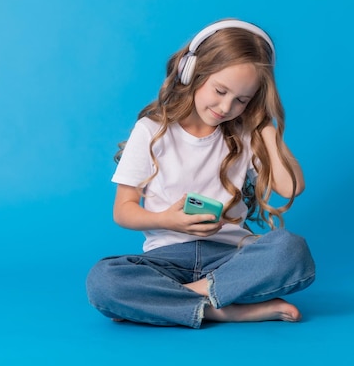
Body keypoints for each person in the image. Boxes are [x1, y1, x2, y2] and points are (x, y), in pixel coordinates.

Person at [86, 19, 316, 329]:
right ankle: (223, 309)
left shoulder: (248, 136)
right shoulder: (150, 131)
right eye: (220, 91)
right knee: (104, 280)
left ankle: (176, 301)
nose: (226, 106)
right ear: (191, 73)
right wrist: (166, 219)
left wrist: (265, 130)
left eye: (242, 100)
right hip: (166, 260)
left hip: (230, 258)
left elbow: (292, 188)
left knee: (291, 250)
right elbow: (123, 211)